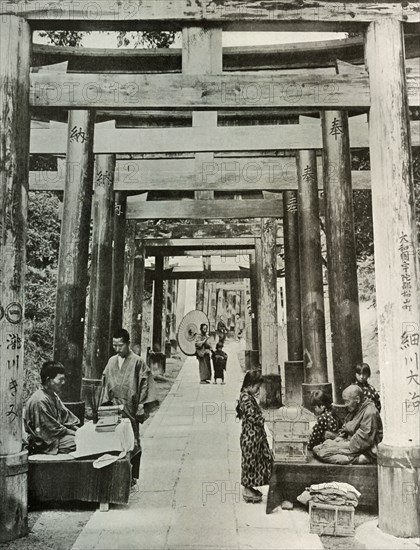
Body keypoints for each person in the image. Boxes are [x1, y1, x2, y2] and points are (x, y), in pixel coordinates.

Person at [101, 328, 157, 482]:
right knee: (114, 440)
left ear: (128, 344)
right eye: (115, 345)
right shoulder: (111, 361)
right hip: (112, 407)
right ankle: (117, 475)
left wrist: (141, 405)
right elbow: (105, 383)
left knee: (133, 441)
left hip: (130, 407)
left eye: (120, 345)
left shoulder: (138, 361)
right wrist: (104, 403)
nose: (117, 349)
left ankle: (132, 476)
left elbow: (145, 384)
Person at [313, 385, 383, 465]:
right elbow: (345, 427)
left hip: (363, 449)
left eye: (347, 401)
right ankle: (347, 457)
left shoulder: (370, 412)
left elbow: (361, 442)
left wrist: (337, 445)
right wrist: (339, 438)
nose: (345, 404)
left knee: (323, 453)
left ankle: (357, 459)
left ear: (357, 399)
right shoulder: (355, 407)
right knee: (316, 449)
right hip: (349, 443)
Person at [25, 361, 80, 455]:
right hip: (45, 441)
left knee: (85, 439)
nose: (63, 383)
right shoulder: (40, 400)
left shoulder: (53, 395)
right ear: (48, 380)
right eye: (60, 379)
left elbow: (66, 416)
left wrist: (78, 430)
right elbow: (50, 429)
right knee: (79, 442)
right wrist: (76, 434)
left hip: (55, 436)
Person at [236, 370, 273, 503]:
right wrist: (263, 418)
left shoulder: (247, 396)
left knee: (258, 461)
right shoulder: (246, 398)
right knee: (250, 463)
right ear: (250, 385)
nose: (258, 390)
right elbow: (253, 416)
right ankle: (247, 489)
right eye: (257, 387)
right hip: (251, 439)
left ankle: (250, 487)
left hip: (255, 437)